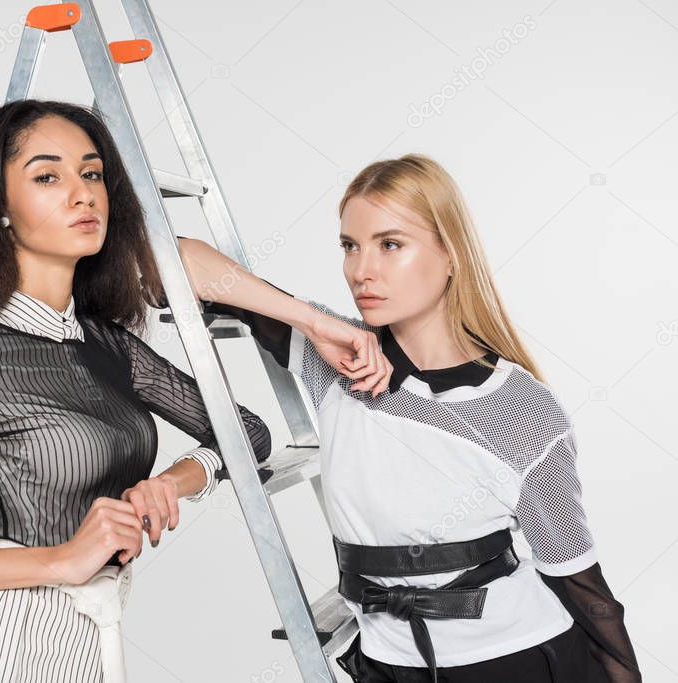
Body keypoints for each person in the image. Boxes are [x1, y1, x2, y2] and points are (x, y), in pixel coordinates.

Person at [0, 99, 271, 682]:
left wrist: (167, 484)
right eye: (47, 176)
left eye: (91, 173)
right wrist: (60, 560)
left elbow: (247, 433)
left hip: (82, 640)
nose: (83, 193)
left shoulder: (108, 346)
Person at [169, 154, 640, 682]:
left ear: (450, 254)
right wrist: (312, 321)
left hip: (519, 660)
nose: (361, 270)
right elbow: (170, 258)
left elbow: (580, 581)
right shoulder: (334, 360)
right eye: (350, 245)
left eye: (390, 244)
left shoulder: (521, 408)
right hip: (389, 665)